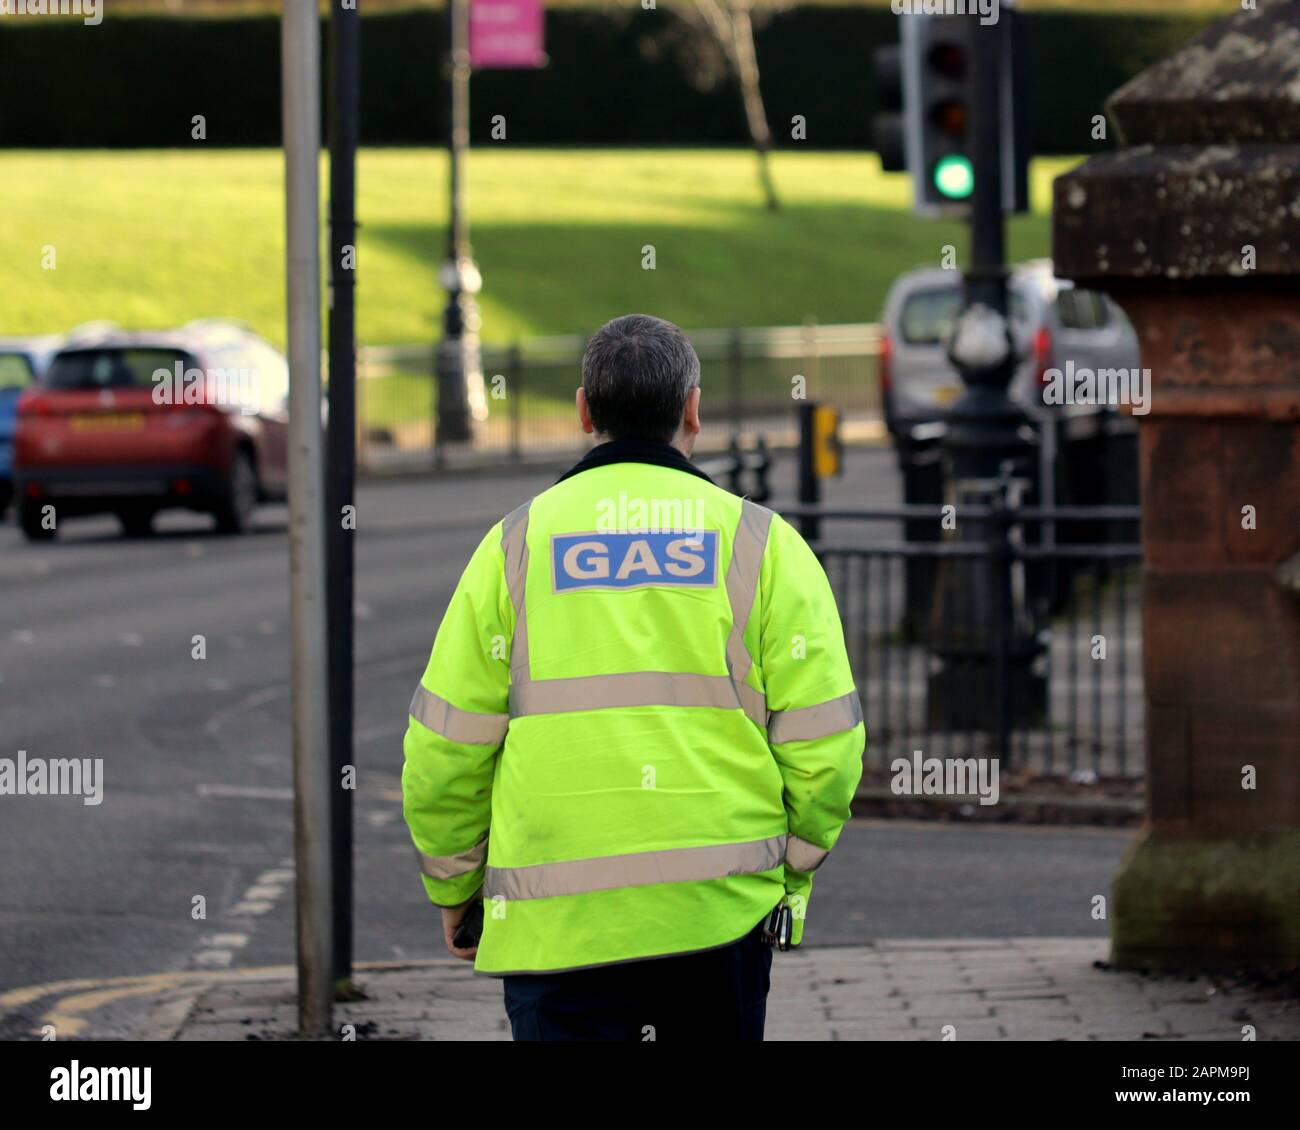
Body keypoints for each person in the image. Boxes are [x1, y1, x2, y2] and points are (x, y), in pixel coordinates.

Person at [402, 313, 864, 1041]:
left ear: (586, 411)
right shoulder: (762, 545)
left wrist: (455, 884)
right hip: (719, 916)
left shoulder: (514, 547)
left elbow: (445, 748)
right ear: (693, 410)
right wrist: (789, 876)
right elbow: (826, 746)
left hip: (557, 927)